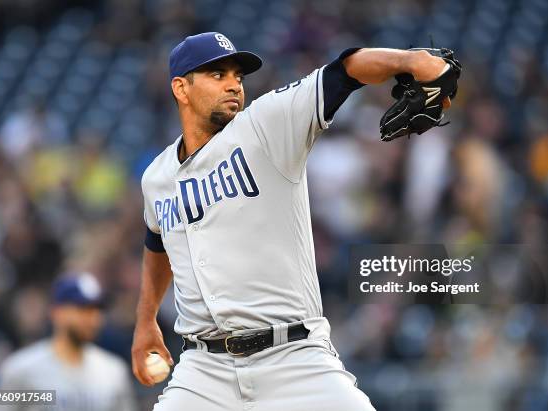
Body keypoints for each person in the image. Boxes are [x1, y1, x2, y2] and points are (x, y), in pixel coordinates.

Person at [132, 32, 451, 411]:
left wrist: (412, 62)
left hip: (294, 358)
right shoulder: (157, 178)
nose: (234, 84)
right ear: (181, 89)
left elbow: (345, 70)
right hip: (204, 370)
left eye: (238, 75)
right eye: (218, 75)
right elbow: (158, 243)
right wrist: (146, 320)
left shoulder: (266, 126)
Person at [0, 273, 136, 411]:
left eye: (97, 309)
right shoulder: (21, 369)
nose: (92, 318)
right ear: (56, 312)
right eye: (82, 309)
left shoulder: (113, 371)